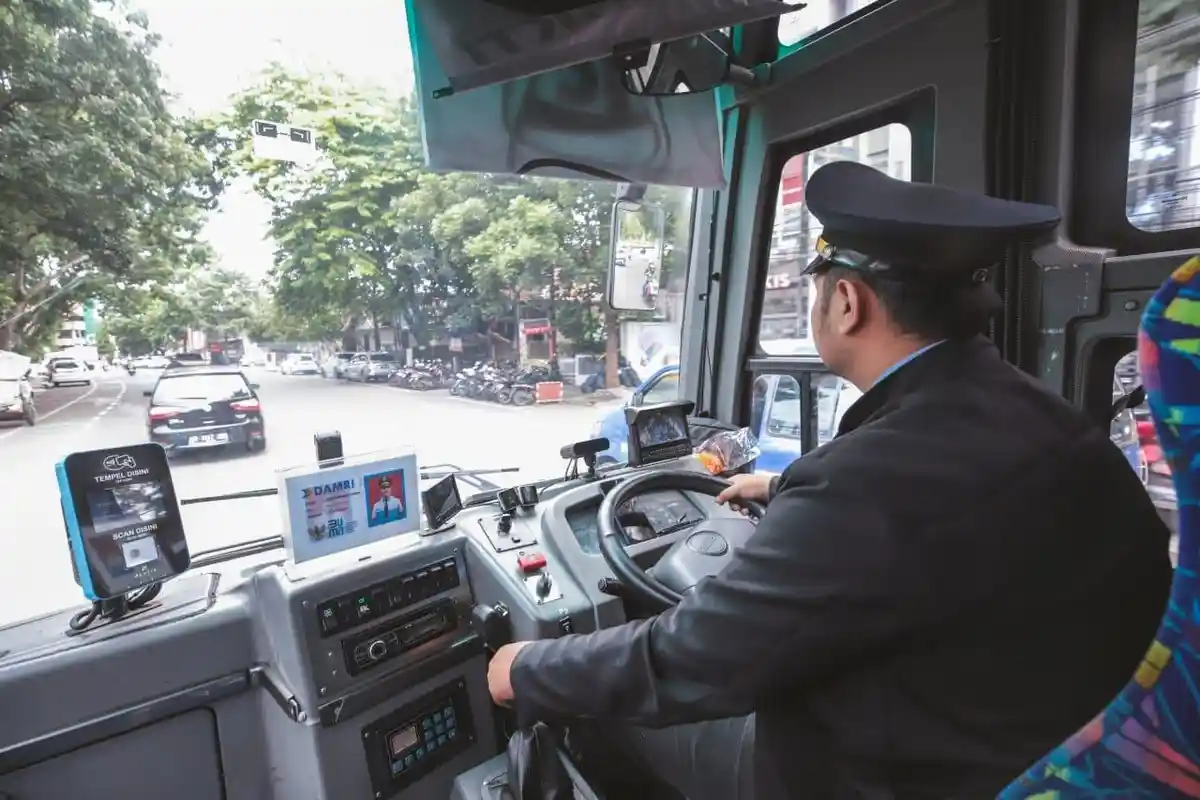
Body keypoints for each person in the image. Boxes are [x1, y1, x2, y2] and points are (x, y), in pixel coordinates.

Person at [485, 161, 1174, 800]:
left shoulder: (870, 480)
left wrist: (525, 670)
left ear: (846, 301)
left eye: (815, 288)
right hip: (1043, 748)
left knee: (601, 715)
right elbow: (943, 519)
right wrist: (785, 493)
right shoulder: (1034, 412)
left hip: (912, 774)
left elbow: (694, 659)